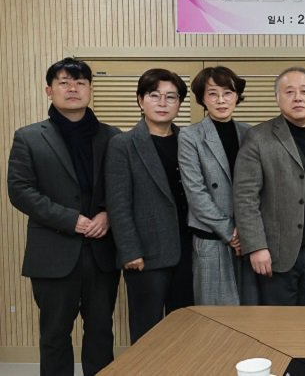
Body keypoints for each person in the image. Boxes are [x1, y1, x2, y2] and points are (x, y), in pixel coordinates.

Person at [7, 58, 120, 376]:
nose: (73, 88)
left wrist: (107, 214)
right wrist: (71, 219)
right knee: (55, 336)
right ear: (49, 90)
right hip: (53, 253)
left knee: (101, 332)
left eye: (80, 82)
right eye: (64, 82)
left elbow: (123, 187)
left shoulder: (113, 137)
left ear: (90, 89)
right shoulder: (29, 137)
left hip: (102, 252)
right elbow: (20, 191)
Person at [233, 67, 305, 306]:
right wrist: (256, 247)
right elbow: (245, 198)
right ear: (277, 98)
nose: (298, 98)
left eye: (304, 91)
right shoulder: (258, 137)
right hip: (275, 252)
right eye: (289, 92)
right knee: (278, 323)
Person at [106, 68, 193, 342]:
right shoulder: (123, 144)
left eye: (171, 97)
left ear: (179, 103)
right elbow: (118, 203)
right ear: (140, 100)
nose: (163, 103)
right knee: (147, 332)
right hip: (146, 254)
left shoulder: (189, 140)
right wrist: (130, 250)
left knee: (187, 329)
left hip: (190, 250)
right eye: (154, 95)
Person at [178, 66, 258, 305]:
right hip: (212, 237)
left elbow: (259, 186)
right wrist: (230, 232)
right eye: (213, 94)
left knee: (251, 312)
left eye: (228, 93)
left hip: (249, 236)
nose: (221, 100)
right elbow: (196, 192)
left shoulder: (250, 133)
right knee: (215, 313)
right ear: (202, 99)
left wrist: (246, 231)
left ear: (237, 96)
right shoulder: (190, 136)